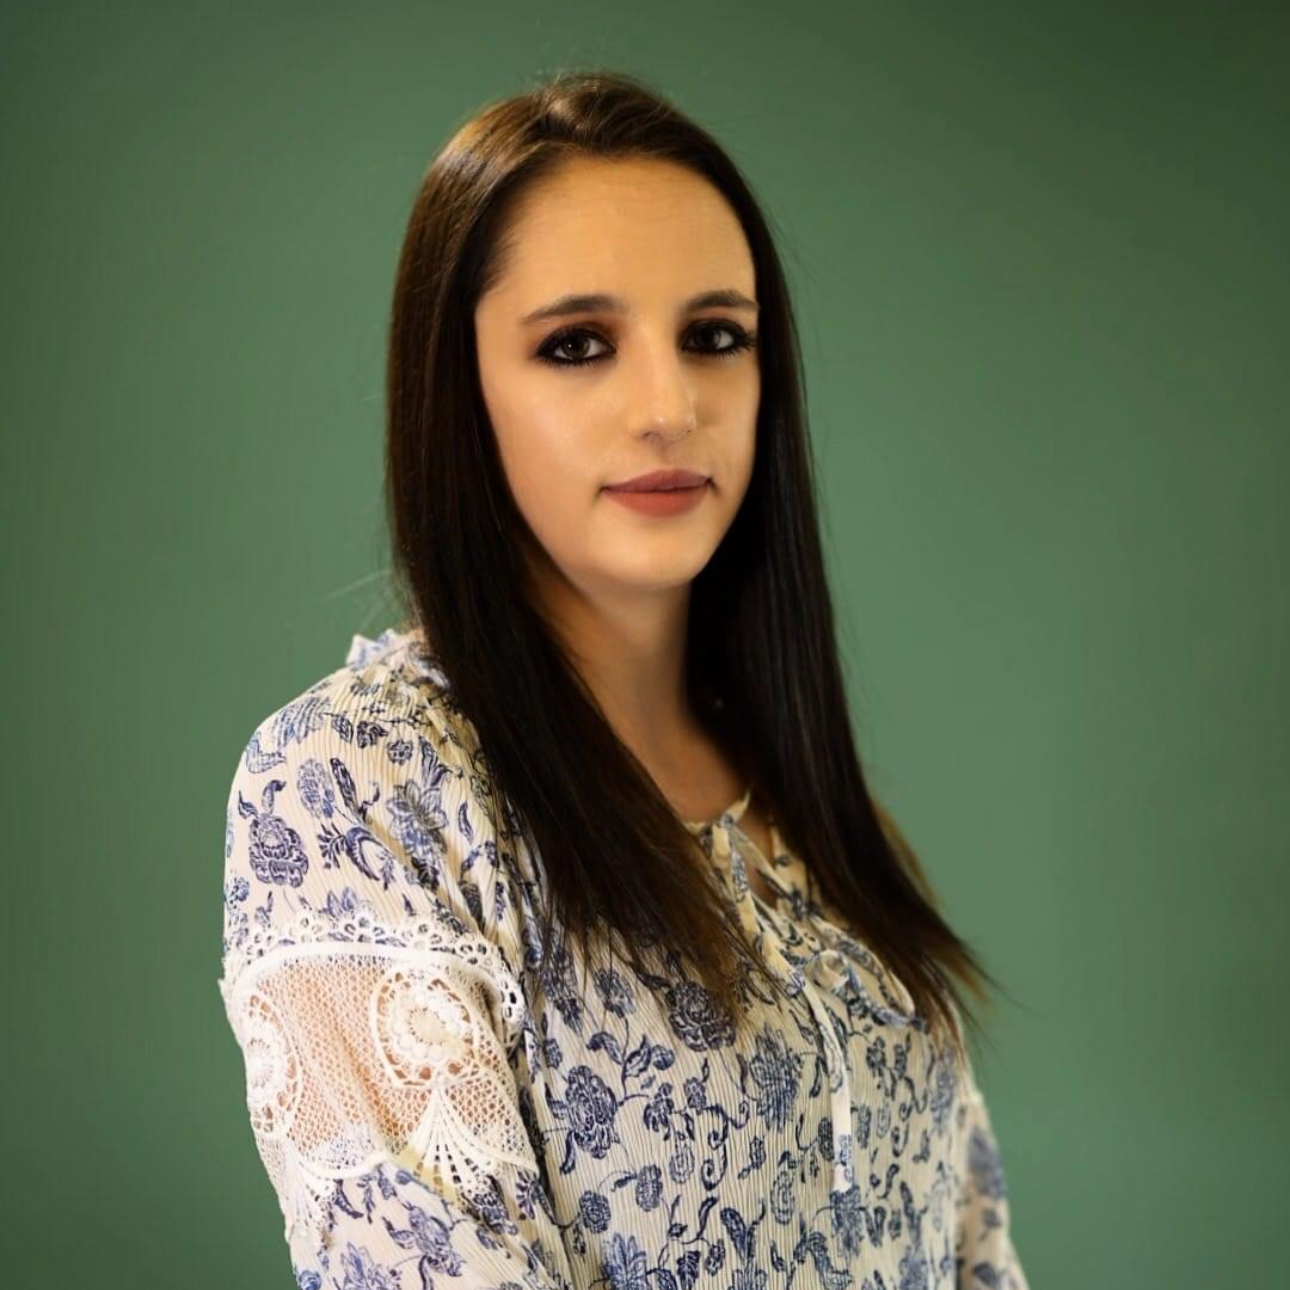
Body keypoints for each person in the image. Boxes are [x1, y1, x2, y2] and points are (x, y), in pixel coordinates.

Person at [218, 69, 1030, 1290]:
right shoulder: (356, 791)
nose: (668, 407)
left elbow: (975, 1255)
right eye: (578, 345)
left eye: (715, 338)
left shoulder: (811, 812)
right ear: (461, 390)